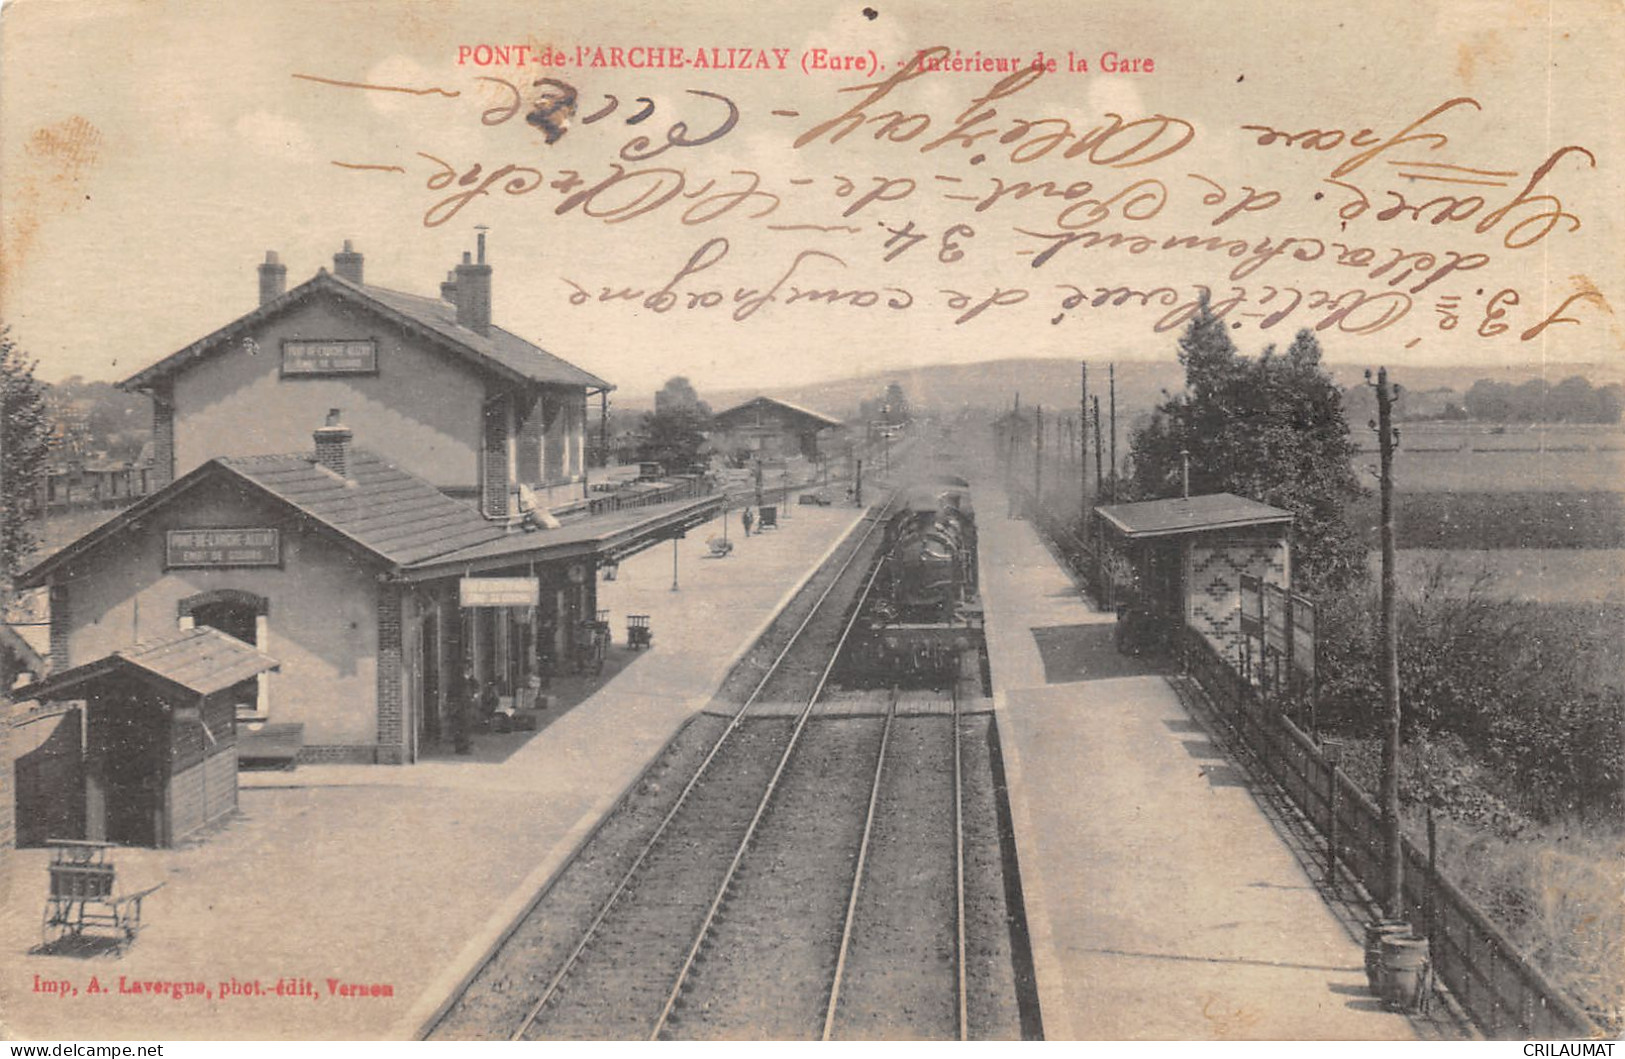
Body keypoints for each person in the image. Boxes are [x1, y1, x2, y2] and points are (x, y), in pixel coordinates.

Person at [452, 663, 476, 755]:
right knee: (464, 728)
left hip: (460, 708)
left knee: (461, 728)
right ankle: (463, 748)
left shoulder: (460, 681)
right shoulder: (464, 682)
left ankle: (461, 747)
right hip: (463, 708)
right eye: (469, 670)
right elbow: (465, 695)